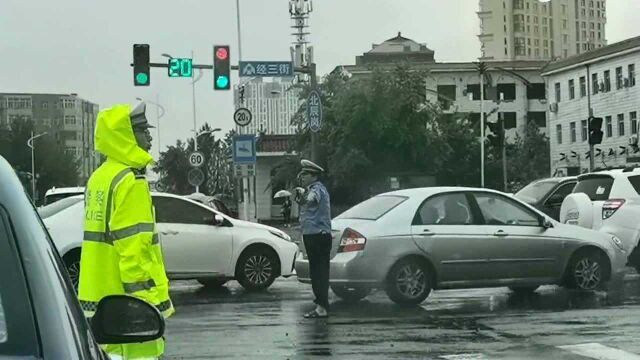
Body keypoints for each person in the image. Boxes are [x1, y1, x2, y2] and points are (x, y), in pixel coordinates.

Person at [78, 102, 174, 360]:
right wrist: (146, 306)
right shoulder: (130, 181)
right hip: (127, 313)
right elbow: (134, 252)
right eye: (142, 130)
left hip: (98, 303)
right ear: (125, 135)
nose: (149, 136)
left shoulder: (100, 177)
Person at [296, 159, 332, 319]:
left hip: (318, 237)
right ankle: (321, 306)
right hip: (313, 235)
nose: (302, 177)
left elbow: (311, 199)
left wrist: (304, 196)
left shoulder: (317, 189)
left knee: (319, 273)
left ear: (313, 175)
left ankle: (322, 307)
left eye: (305, 174)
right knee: (316, 272)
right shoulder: (312, 188)